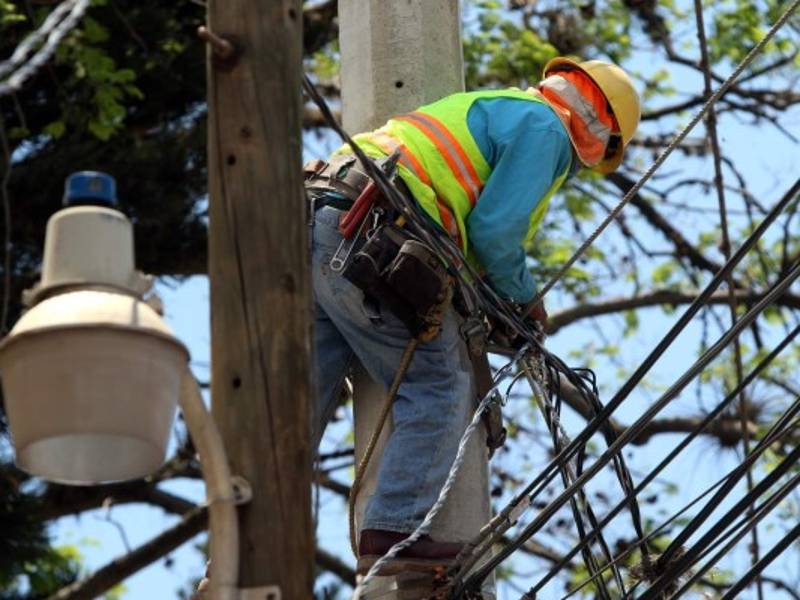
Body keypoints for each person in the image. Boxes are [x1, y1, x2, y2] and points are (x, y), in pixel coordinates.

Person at [306, 57, 641, 575]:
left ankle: (246, 525)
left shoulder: (496, 106)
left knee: (299, 400)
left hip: (325, 217)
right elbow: (494, 232)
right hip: (375, 231)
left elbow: (468, 232)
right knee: (440, 385)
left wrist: (487, 294)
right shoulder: (546, 130)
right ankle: (391, 532)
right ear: (603, 135)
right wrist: (524, 298)